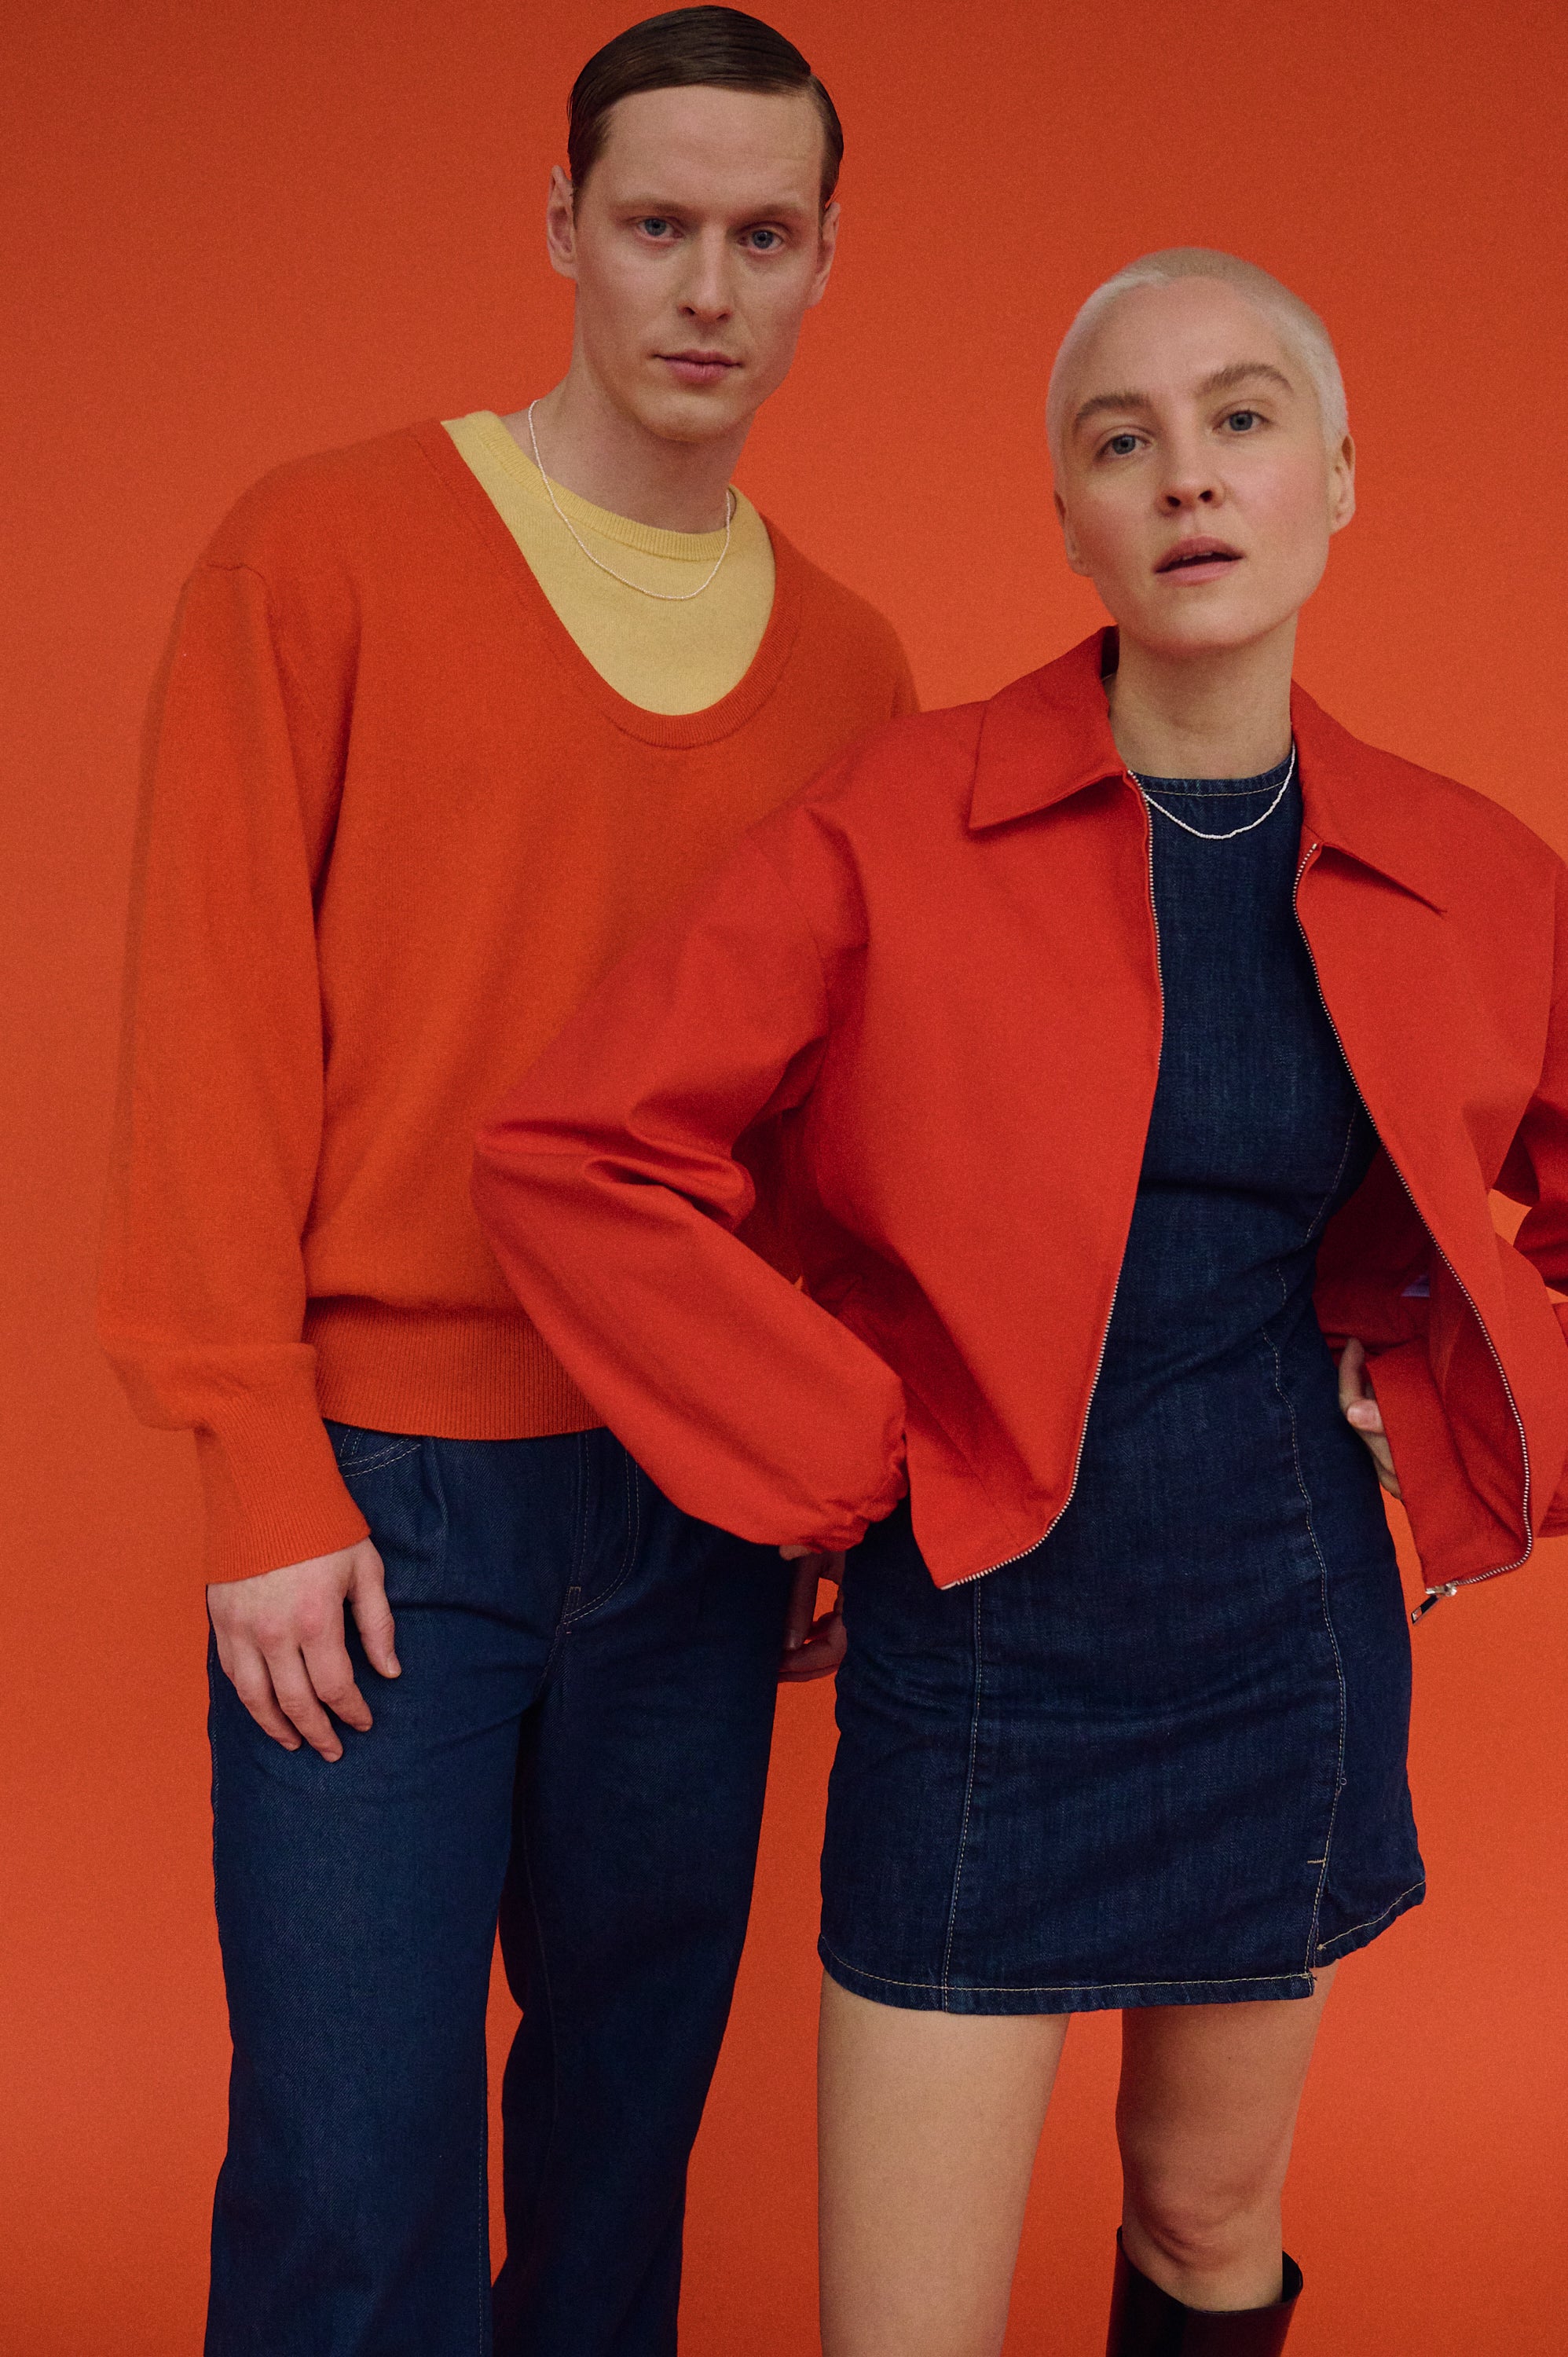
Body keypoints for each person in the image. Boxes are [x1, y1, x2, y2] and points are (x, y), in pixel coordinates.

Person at [471, 246, 1568, 2355]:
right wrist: (841, 1457)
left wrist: (1451, 1436)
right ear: (1062, 516)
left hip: (1290, 1636)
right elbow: (577, 1152)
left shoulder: (1469, 866)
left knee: (1203, 2228)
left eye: (1241, 420)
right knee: (908, 2323)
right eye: (1118, 439)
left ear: (1337, 478)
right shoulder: (897, 827)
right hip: (979, 1639)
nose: (1184, 476)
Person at [98, 11, 914, 2352]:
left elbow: (814, 1145)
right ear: (558, 230)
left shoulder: (852, 666)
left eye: (761, 238)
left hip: (685, 1523)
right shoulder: (325, 549)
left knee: (613, 2173)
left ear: (825, 263)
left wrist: (800, 1476)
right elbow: (218, 1030)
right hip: (376, 1519)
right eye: (654, 225)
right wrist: (258, 1473)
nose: (702, 287)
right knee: (360, 2198)